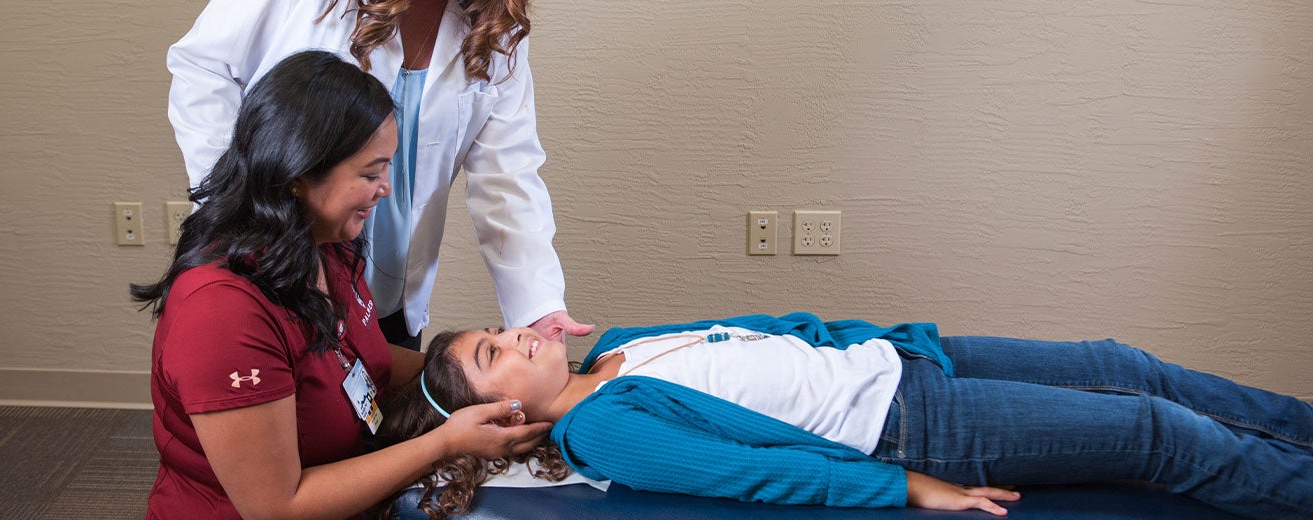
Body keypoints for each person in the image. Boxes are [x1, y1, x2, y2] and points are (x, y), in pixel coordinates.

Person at [131, 50, 550, 519]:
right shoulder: (221, 313)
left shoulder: (324, 242)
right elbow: (276, 507)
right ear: (299, 176)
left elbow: (355, 354)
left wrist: (472, 373)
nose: (386, 188)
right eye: (370, 173)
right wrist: (445, 442)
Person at [381, 312, 1313, 519]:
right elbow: (756, 472)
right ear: (505, 410)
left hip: (902, 367)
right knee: (1153, 432)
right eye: (496, 354)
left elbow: (777, 333)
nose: (519, 335)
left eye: (499, 328)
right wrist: (907, 485)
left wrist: (901, 340)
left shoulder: (616, 346)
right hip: (904, 429)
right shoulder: (603, 424)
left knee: (1124, 365)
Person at [166, 0, 591, 350]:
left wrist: (537, 304)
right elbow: (202, 67)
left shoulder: (495, 26)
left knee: (377, 426)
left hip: (387, 287)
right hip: (279, 258)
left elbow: (508, 175)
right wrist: (239, 197)